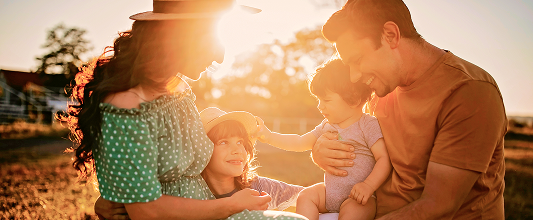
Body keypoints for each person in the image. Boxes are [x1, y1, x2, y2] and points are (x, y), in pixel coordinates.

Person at [60, 0, 307, 219]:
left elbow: (200, 166)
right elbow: (146, 211)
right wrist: (229, 206)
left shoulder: (179, 89)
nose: (220, 58)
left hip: (211, 208)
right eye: (213, 41)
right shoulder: (126, 106)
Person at [311, 0, 507, 219]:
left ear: (391, 35)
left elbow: (438, 205)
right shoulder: (379, 87)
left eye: (358, 60)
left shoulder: (470, 91)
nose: (354, 76)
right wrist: (320, 151)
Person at [95, 107, 305, 218]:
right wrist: (103, 204)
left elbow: (306, 194)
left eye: (241, 141)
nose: (237, 149)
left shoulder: (258, 187)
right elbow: (140, 203)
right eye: (223, 142)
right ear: (202, 150)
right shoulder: (187, 189)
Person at [255, 58, 391, 220]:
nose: (320, 106)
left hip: (357, 197)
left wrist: (368, 186)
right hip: (329, 193)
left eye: (326, 100)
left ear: (353, 99)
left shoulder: (367, 124)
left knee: (354, 212)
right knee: (305, 196)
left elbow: (383, 159)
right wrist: (269, 136)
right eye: (319, 100)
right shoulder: (326, 125)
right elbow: (299, 142)